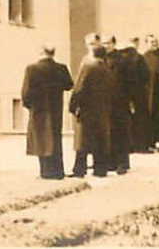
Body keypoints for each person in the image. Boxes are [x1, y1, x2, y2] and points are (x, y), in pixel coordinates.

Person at [20, 44, 73, 179]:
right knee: (56, 138)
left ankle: (45, 172)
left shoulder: (32, 69)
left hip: (38, 109)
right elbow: (69, 85)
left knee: (41, 140)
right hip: (56, 109)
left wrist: (28, 105)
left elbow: (26, 92)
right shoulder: (61, 68)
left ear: (41, 52)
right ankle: (57, 171)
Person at [69, 34, 115, 178]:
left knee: (83, 141)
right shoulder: (107, 69)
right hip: (103, 109)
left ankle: (79, 169)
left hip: (87, 109)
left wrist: (73, 105)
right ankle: (100, 169)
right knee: (100, 139)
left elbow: (79, 88)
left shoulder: (88, 66)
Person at [103, 36, 133, 174]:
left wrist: (129, 99)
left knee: (120, 131)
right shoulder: (101, 59)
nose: (106, 46)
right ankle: (109, 162)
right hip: (106, 100)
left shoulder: (123, 59)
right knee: (108, 131)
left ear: (114, 44)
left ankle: (122, 163)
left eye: (108, 43)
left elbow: (130, 80)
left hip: (120, 100)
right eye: (103, 43)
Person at [122, 36, 154, 155]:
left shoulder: (121, 57)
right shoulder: (139, 58)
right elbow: (145, 76)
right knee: (140, 119)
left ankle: (129, 145)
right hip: (138, 92)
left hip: (124, 92)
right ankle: (141, 145)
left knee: (127, 119)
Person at [142, 35, 159, 150]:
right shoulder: (144, 57)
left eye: (156, 41)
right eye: (152, 42)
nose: (154, 43)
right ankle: (151, 141)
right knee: (150, 115)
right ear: (147, 43)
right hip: (149, 91)